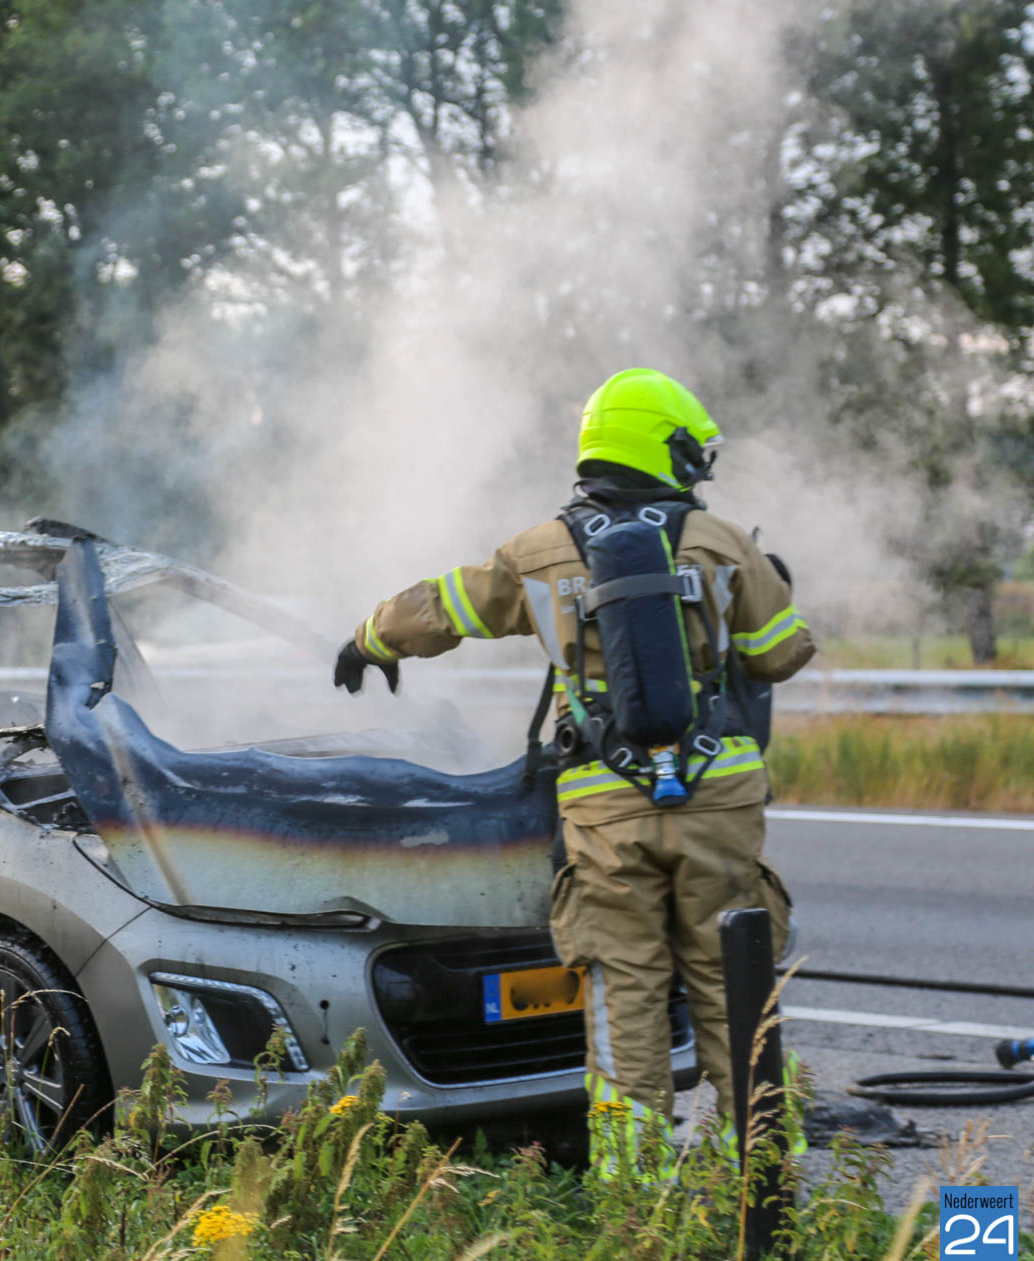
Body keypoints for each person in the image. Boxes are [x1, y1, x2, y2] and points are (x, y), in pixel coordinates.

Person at [334, 368, 817, 1176]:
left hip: (604, 803)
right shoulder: (721, 541)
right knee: (733, 980)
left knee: (624, 987)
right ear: (665, 448)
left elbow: (446, 606)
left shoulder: (538, 553)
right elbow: (781, 654)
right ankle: (764, 1177)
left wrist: (369, 639)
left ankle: (634, 1187)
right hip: (717, 800)